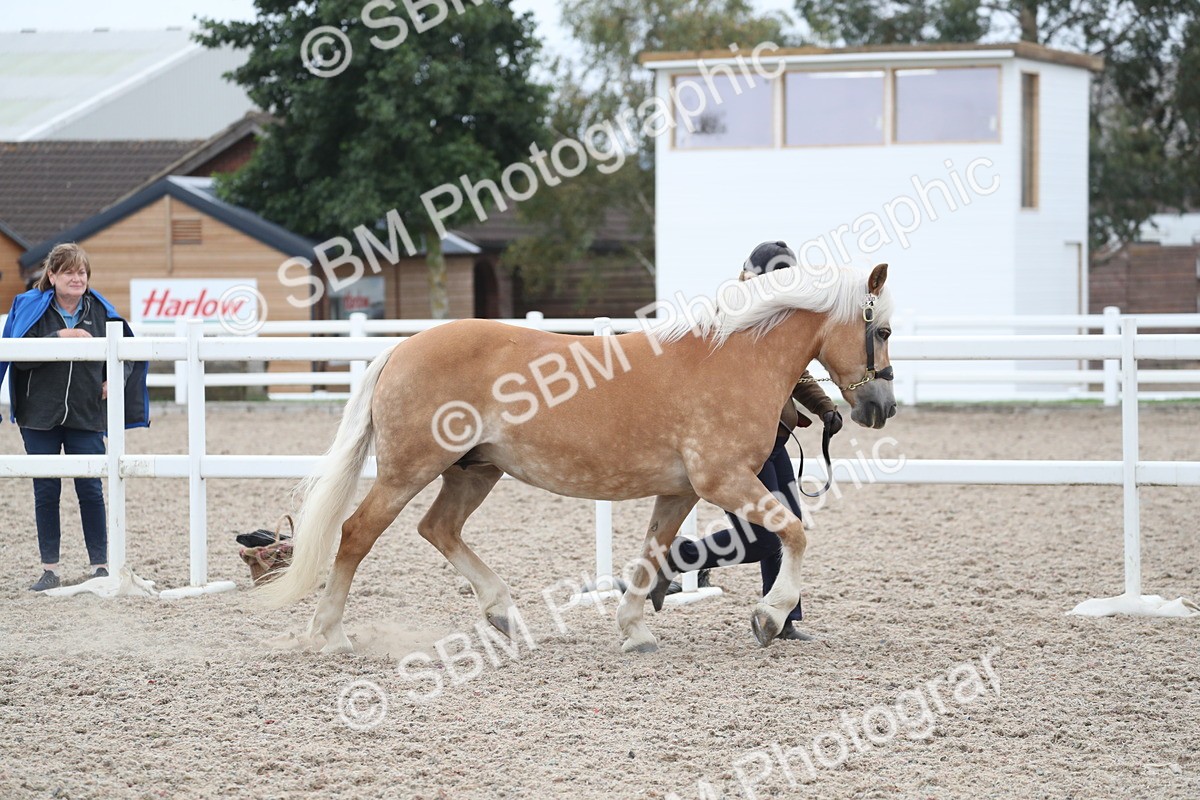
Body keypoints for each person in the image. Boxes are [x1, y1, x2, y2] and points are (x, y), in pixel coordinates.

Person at [651, 241, 842, 641]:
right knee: (769, 532)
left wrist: (825, 408)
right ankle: (678, 557)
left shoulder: (779, 318)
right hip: (736, 443)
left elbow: (798, 372)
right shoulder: (732, 316)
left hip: (773, 436)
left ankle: (783, 617)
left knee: (790, 523)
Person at [0, 243, 150, 591]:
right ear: (51, 275)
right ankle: (49, 568)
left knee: (91, 489)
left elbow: (127, 354)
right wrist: (60, 337)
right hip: (39, 415)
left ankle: (100, 565)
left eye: (81, 272)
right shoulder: (29, 310)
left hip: (86, 414)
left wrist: (117, 378)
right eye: (68, 271)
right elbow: (19, 358)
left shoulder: (102, 312)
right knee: (46, 489)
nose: (76, 278)